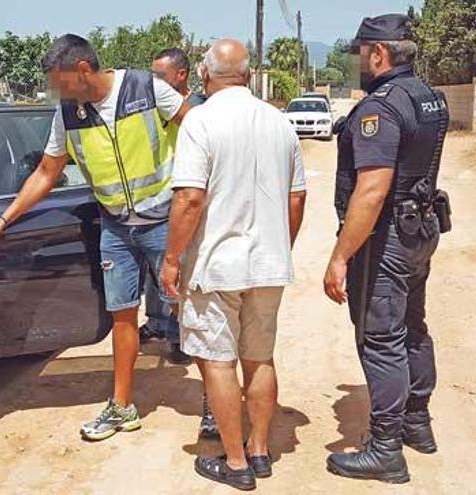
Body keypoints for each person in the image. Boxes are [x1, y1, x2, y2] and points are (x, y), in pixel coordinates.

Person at [0, 34, 191, 441]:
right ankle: (122, 406)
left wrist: (197, 195)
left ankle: (215, 405)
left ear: (83, 70)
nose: (57, 92)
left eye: (61, 82)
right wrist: (3, 221)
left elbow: (199, 131)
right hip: (115, 227)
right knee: (122, 314)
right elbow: (46, 172)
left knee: (192, 310)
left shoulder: (145, 88)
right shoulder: (68, 113)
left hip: (164, 221)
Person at [161, 39, 307, 491]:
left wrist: (171, 259)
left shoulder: (200, 121)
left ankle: (238, 462)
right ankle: (261, 450)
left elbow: (189, 198)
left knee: (219, 363)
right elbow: (296, 196)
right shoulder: (279, 122)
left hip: (216, 266)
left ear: (204, 74)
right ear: (247, 74)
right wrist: (281, 245)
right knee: (259, 357)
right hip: (267, 264)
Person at [323, 14, 450, 484]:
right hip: (420, 229)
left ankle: (385, 448)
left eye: (361, 52)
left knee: (382, 338)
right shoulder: (429, 96)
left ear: (379, 54)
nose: (358, 60)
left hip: (388, 237)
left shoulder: (383, 107)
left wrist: (339, 256)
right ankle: (418, 423)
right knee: (412, 327)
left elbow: (372, 191)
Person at [150, 47, 219, 439]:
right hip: (173, 205)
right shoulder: (164, 111)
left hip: (193, 211)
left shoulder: (197, 114)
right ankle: (172, 333)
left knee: (195, 304)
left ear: (183, 76)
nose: (155, 84)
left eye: (161, 76)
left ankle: (215, 406)